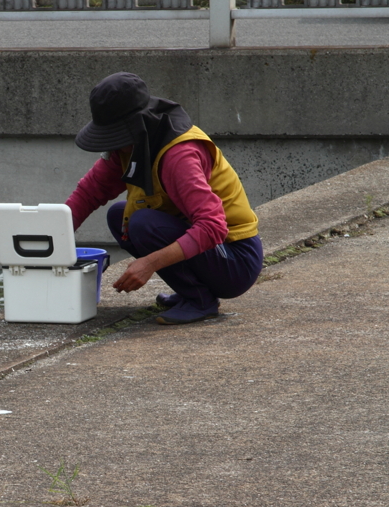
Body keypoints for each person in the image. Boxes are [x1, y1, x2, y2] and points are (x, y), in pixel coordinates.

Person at [66, 72, 263, 325]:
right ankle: (192, 292)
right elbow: (89, 192)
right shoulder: (129, 147)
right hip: (213, 253)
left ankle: (199, 300)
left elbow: (213, 227)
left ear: (138, 126)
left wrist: (149, 263)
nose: (113, 145)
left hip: (236, 258)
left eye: (116, 136)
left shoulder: (179, 156)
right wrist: (52, 240)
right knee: (119, 216)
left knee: (144, 223)